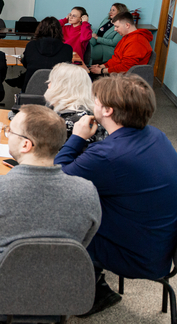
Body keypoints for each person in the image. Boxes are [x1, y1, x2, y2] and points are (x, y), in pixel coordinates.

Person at [0, 105, 101, 324]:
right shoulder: (88, 192)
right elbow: (81, 245)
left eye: (10, 131)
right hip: (58, 292)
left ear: (26, 144)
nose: (7, 134)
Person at [56, 74, 177, 317]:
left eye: (96, 100)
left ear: (108, 110)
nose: (94, 102)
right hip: (161, 246)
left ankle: (90, 293)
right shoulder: (156, 135)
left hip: (137, 256)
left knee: (58, 221)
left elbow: (58, 179)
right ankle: (94, 284)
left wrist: (78, 137)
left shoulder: (109, 154)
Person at [43, 63, 107, 144]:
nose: (48, 85)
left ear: (61, 87)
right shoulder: (93, 112)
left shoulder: (67, 121)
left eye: (51, 82)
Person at [7, 16, 73, 92]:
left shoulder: (31, 45)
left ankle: (19, 80)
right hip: (57, 91)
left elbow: (26, 64)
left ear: (40, 29)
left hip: (30, 89)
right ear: (60, 31)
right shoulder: (67, 49)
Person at [88, 11, 152, 76]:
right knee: (89, 71)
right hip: (119, 71)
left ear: (127, 25)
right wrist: (102, 66)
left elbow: (126, 68)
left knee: (89, 76)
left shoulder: (136, 41)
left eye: (117, 26)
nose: (115, 29)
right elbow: (116, 59)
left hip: (127, 77)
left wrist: (102, 71)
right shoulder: (127, 37)